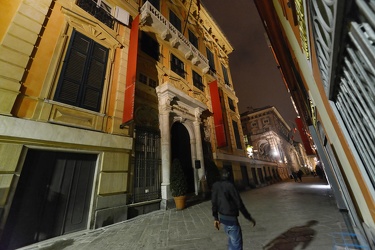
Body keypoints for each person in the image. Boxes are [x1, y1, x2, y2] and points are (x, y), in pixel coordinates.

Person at [211, 168, 256, 250]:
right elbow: (239, 203)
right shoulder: (230, 185)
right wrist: (249, 218)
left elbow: (214, 203)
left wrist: (216, 218)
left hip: (223, 220)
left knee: (232, 244)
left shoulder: (215, 185)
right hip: (232, 221)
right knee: (237, 245)